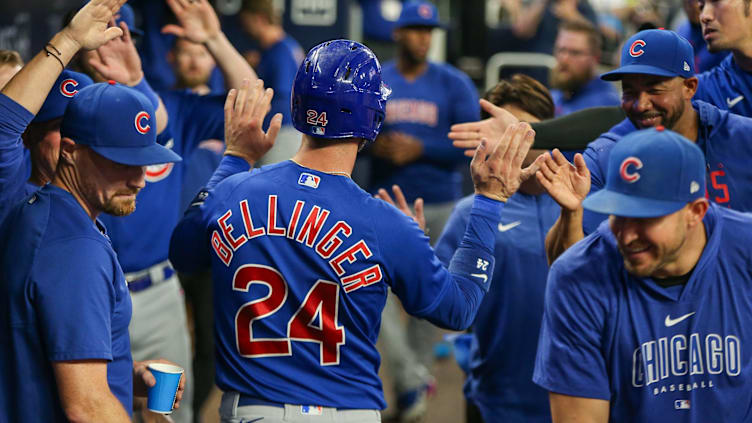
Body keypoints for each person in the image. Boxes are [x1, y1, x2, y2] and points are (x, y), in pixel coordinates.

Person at [168, 39, 538, 423]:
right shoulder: (385, 223)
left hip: (252, 411)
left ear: (298, 106)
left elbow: (183, 252)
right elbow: (458, 309)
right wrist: (490, 200)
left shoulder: (232, 191)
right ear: (373, 117)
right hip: (345, 413)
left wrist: (235, 158)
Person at [0, 1, 185, 420]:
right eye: (118, 160)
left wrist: (125, 373)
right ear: (69, 148)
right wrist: (67, 41)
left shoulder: (55, 213)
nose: (138, 178)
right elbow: (88, 408)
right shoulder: (64, 239)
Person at [533, 127, 752, 422]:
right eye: (618, 215)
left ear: (696, 211)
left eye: (645, 219)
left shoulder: (744, 249)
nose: (627, 236)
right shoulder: (578, 275)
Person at [435, 74, 560, 423]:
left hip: (576, 395)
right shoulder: (471, 212)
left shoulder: (585, 202)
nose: (511, 145)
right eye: (502, 133)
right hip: (496, 398)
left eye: (523, 131)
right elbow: (446, 303)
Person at [239, 0, 305, 164]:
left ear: (259, 18)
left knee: (273, 188)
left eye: (246, 21)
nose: (243, 27)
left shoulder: (280, 51)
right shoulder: (281, 47)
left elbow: (281, 99)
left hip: (281, 132)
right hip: (285, 131)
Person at [550, 20, 619, 116]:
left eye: (575, 53)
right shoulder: (556, 95)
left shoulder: (605, 106)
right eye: (561, 50)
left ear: (595, 58)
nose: (564, 59)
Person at [676, 0, 728, 73]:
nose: (694, 6)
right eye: (688, 2)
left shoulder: (721, 34)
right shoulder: (681, 30)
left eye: (699, 2)